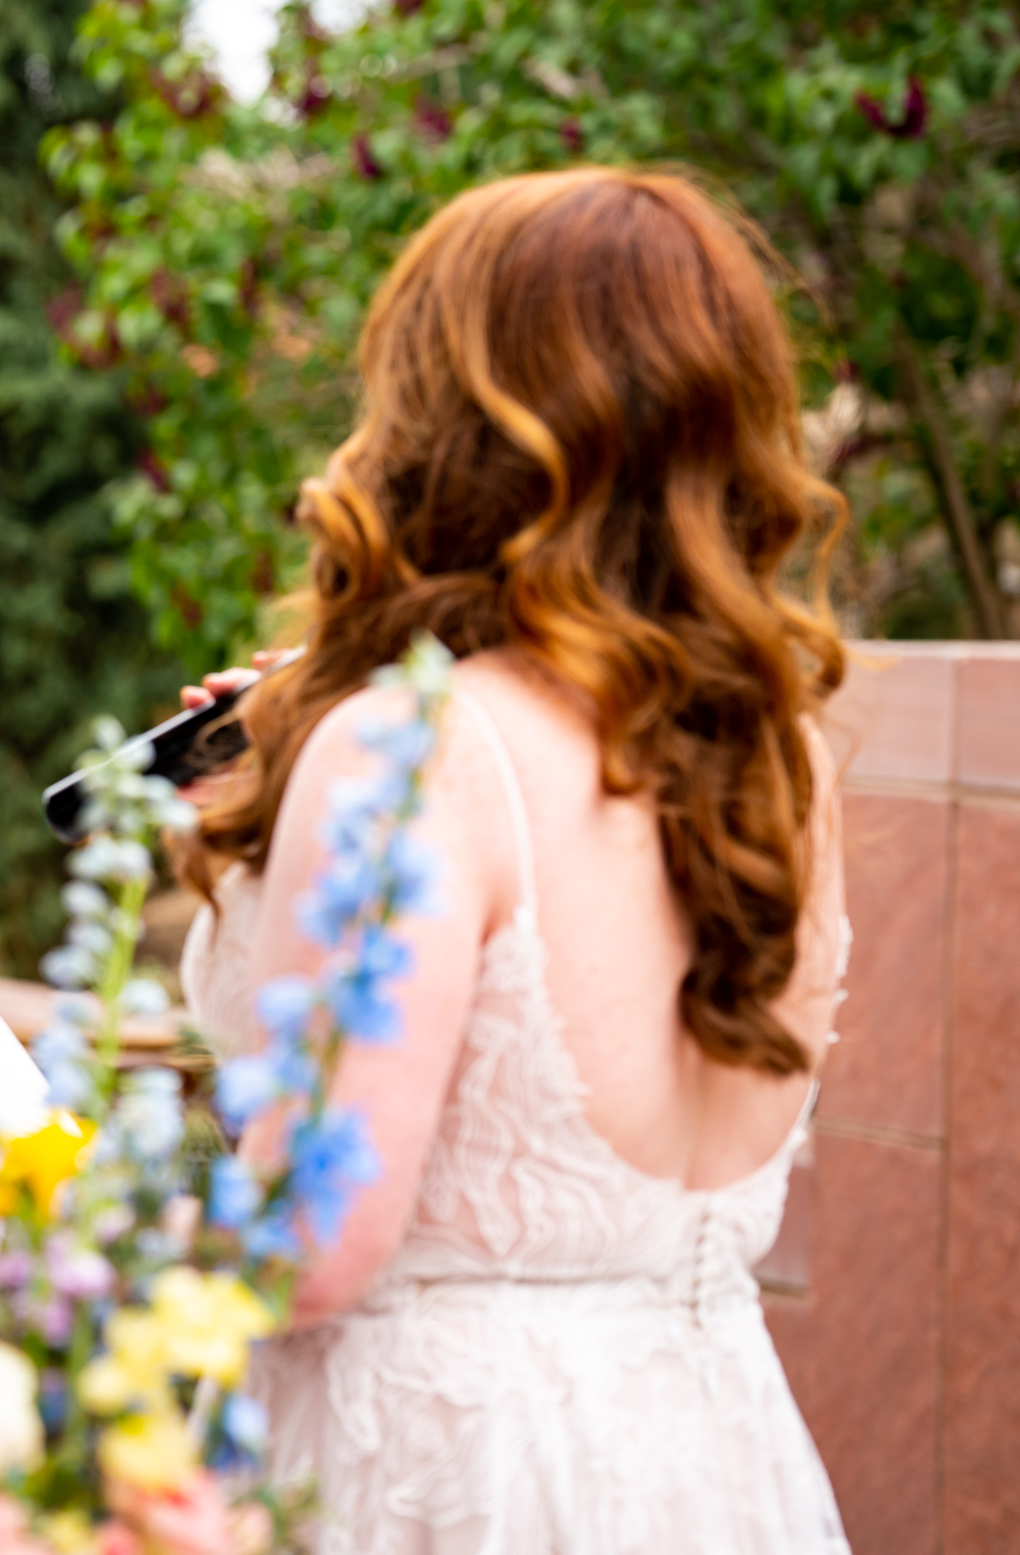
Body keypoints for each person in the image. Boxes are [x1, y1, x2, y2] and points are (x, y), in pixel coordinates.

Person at [178, 167, 852, 1551]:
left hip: (454, 1479)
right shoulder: (779, 759)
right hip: (717, 1460)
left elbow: (311, 1247)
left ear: (453, 421)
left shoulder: (413, 752)